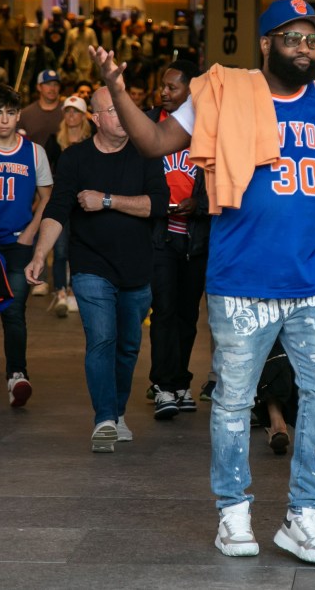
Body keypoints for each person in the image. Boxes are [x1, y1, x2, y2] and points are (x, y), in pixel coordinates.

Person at [89, 0, 315, 565]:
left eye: (312, 39)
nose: (305, 48)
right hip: (241, 280)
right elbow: (154, 143)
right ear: (266, 44)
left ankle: (303, 515)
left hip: (312, 280)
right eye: (292, 38)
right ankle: (233, 512)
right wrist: (118, 90)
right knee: (234, 403)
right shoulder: (222, 93)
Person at [26, 87, 167, 452]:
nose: (123, 116)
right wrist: (40, 254)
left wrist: (106, 201)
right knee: (102, 338)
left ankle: (117, 412)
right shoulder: (75, 158)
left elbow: (157, 205)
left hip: (137, 268)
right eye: (113, 110)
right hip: (90, 266)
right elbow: (57, 209)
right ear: (96, 118)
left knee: (128, 346)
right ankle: (104, 418)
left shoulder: (146, 154)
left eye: (126, 109)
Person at [0, 85, 53, 406]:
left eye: (10, 113)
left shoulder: (34, 152)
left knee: (15, 310)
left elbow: (48, 197)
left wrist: (32, 230)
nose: (4, 120)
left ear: (19, 116)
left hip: (19, 243)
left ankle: (17, 373)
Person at [146, 60, 208, 419]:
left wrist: (199, 202)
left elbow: (222, 180)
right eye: (163, 87)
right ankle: (163, 385)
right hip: (161, 236)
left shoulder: (207, 126)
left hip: (197, 237)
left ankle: (180, 381)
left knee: (187, 314)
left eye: (172, 88)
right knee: (165, 312)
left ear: (191, 91)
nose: (164, 93)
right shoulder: (152, 125)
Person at [42, 95, 94, 313]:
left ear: (84, 116)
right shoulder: (55, 141)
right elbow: (44, 171)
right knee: (60, 248)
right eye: (68, 111)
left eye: (76, 112)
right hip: (62, 201)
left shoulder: (92, 141)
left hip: (84, 203)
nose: (71, 115)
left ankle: (75, 290)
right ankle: (61, 290)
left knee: (80, 246)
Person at [18, 70, 64, 147]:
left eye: (56, 84)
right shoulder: (26, 114)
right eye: (48, 84)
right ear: (39, 87)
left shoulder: (68, 112)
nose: (52, 88)